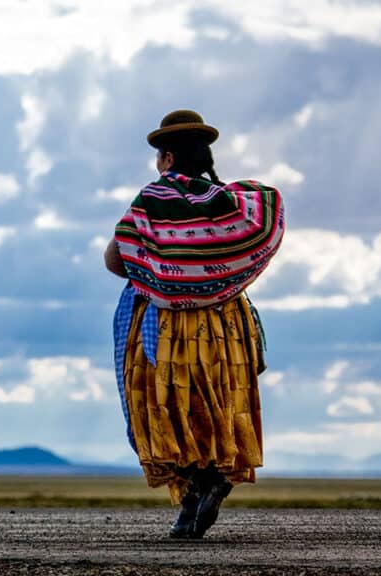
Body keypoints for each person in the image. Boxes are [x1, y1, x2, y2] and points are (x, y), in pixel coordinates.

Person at [104, 110, 285, 539]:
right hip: (225, 323)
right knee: (215, 404)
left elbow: (117, 256)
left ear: (166, 158)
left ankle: (195, 488)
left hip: (166, 323)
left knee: (161, 408)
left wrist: (161, 273)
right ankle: (200, 492)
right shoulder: (233, 205)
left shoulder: (153, 199)